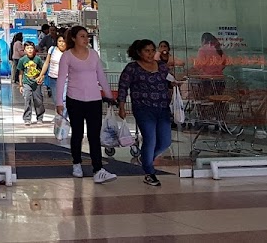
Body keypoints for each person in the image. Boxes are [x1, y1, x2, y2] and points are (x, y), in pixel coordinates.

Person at [56, 25, 116, 184]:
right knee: (77, 133)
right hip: (74, 99)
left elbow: (101, 76)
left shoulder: (94, 54)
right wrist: (59, 102)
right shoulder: (67, 56)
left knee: (94, 135)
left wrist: (109, 96)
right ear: (74, 38)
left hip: (94, 100)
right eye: (82, 36)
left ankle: (98, 169)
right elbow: (61, 78)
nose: (85, 39)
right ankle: (76, 163)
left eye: (86, 36)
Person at [117, 39, 177, 187]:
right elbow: (123, 87)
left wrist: (174, 83)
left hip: (162, 108)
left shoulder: (161, 66)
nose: (150, 54)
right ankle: (149, 172)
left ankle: (146, 159)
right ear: (139, 52)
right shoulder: (132, 68)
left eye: (152, 50)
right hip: (143, 108)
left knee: (165, 141)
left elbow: (168, 81)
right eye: (146, 51)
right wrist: (122, 106)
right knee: (150, 139)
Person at [17, 42, 46, 126]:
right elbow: (20, 73)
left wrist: (41, 77)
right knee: (27, 99)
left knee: (38, 100)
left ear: (34, 49)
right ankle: (27, 118)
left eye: (31, 48)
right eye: (28, 48)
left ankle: (40, 117)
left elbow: (42, 70)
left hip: (36, 83)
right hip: (26, 83)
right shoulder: (22, 60)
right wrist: (20, 85)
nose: (30, 50)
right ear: (24, 50)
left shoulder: (38, 59)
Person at [40, 34, 68, 105]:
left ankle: (63, 112)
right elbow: (46, 63)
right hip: (53, 79)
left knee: (63, 99)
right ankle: (60, 111)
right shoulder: (52, 49)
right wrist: (41, 75)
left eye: (63, 41)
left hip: (65, 79)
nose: (61, 43)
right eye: (59, 41)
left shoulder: (69, 52)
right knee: (56, 100)